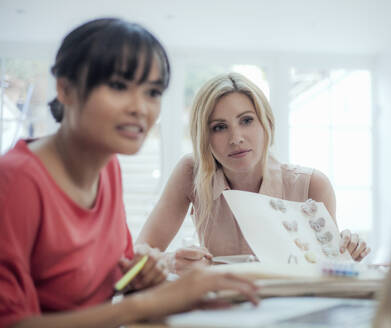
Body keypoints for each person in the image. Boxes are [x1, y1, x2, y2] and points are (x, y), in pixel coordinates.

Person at [0, 19, 258, 328]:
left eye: (152, 92)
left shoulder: (107, 168)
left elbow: (120, 273)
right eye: (119, 86)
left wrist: (146, 278)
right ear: (66, 88)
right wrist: (150, 302)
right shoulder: (14, 183)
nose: (141, 108)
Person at [137, 72, 371, 275]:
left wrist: (347, 255)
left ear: (266, 122)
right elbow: (139, 253)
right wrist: (170, 262)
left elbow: (325, 268)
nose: (236, 138)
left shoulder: (312, 185)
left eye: (246, 120)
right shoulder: (191, 172)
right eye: (219, 127)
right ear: (204, 137)